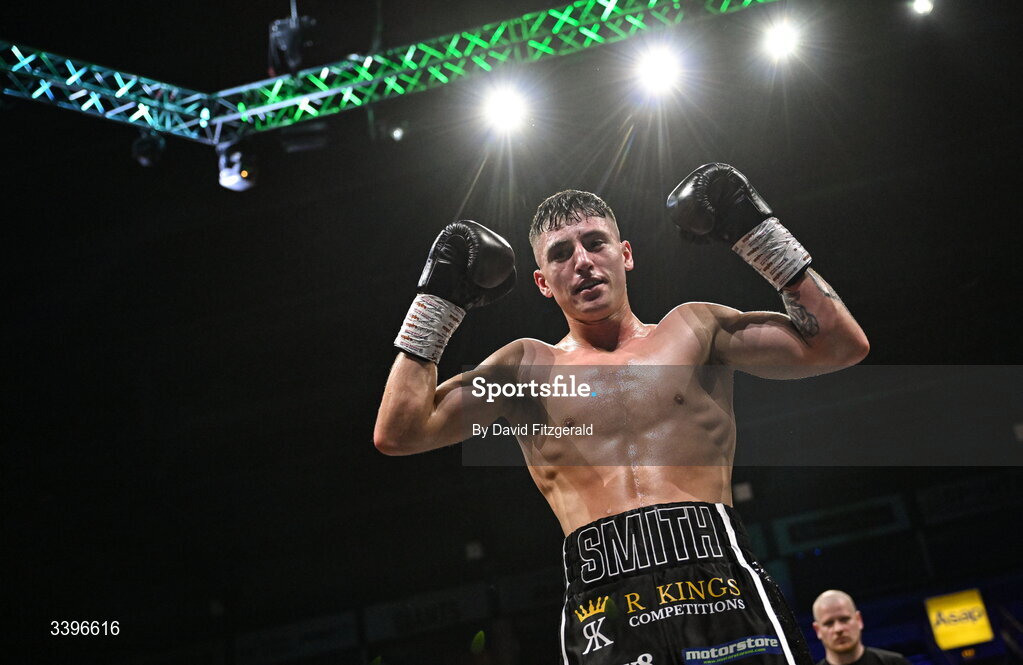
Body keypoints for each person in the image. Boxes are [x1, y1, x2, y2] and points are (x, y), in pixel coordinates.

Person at [375, 163, 870, 664]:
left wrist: (756, 232)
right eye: (561, 254)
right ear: (543, 282)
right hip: (604, 605)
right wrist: (438, 303)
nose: (583, 262)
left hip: (718, 577)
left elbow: (839, 345)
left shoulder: (694, 329)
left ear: (625, 254)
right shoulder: (526, 367)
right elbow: (400, 432)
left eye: (596, 243)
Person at [812, 590, 912, 665]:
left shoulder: (894, 663)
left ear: (858, 620)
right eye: (829, 623)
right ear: (818, 630)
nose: (838, 629)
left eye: (844, 619)